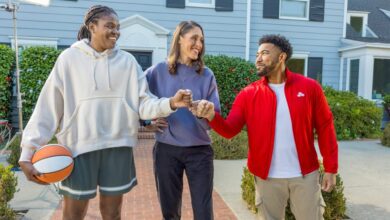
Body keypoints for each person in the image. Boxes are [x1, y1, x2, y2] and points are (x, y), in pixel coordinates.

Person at [18, 5, 191, 220]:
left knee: (112, 214)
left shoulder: (128, 62)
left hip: (118, 148)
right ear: (92, 26)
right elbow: (47, 108)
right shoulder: (68, 59)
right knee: (73, 214)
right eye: (109, 26)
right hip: (78, 149)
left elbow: (144, 104)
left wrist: (171, 103)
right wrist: (28, 152)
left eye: (118, 27)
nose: (115, 31)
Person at [192, 34, 338, 220]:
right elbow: (230, 130)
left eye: (265, 53)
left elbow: (325, 127)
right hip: (266, 177)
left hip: (305, 175)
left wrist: (331, 168)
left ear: (281, 57)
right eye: (257, 54)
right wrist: (211, 115)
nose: (258, 59)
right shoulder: (248, 94)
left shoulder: (310, 88)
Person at [144, 20, 220, 220]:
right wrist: (146, 123)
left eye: (202, 40)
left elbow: (216, 117)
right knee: (169, 212)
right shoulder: (156, 72)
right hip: (166, 151)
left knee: (203, 213)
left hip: (200, 152)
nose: (199, 44)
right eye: (194, 38)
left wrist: (205, 112)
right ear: (179, 40)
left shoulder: (207, 75)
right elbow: (137, 101)